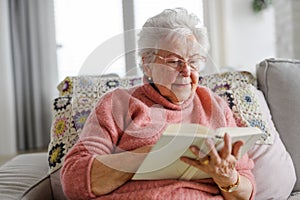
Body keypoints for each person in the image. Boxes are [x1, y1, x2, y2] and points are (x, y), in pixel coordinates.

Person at [60, 8, 255, 200]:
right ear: (147, 64)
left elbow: (246, 191)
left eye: (193, 61)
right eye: (173, 61)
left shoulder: (216, 107)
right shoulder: (118, 104)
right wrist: (149, 156)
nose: (187, 70)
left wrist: (228, 178)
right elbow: (74, 179)